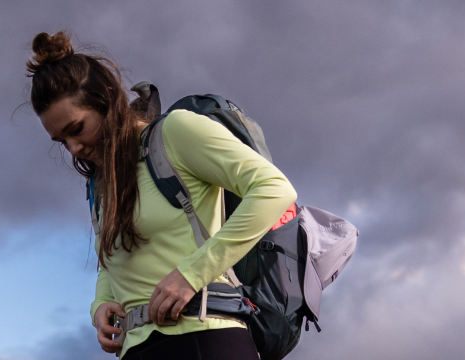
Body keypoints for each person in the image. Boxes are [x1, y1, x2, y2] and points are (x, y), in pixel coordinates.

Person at [25, 30, 297, 360]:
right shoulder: (100, 181)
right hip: (137, 348)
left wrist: (191, 274)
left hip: (206, 337)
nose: (73, 148)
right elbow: (114, 255)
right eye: (61, 141)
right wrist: (101, 304)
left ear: (106, 101)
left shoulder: (175, 133)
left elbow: (274, 189)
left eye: (77, 128)